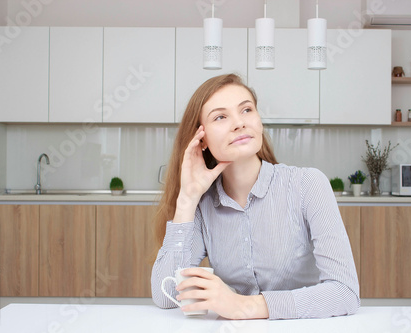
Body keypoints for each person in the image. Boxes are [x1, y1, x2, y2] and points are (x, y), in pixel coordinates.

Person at [151, 73, 360, 320]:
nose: (239, 123)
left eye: (246, 110)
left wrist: (245, 306)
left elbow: (344, 293)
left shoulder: (307, 185)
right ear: (202, 139)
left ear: (259, 121)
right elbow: (165, 297)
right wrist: (187, 199)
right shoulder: (202, 204)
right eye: (220, 116)